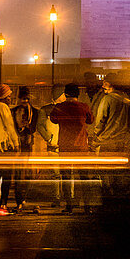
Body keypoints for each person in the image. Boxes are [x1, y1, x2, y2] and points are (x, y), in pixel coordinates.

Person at [49, 83, 95, 213]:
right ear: (77, 94)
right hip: (81, 147)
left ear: (65, 94)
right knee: (84, 178)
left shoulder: (59, 107)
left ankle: (69, 206)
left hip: (65, 147)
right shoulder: (84, 107)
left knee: (67, 178)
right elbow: (90, 120)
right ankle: (87, 206)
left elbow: (53, 120)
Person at [8, 86, 39, 213]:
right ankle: (19, 200)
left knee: (27, 174)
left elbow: (34, 128)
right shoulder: (13, 111)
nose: (24, 101)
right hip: (16, 146)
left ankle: (24, 199)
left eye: (26, 99)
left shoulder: (35, 112)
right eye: (22, 99)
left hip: (27, 146)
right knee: (18, 174)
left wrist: (27, 127)